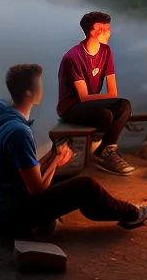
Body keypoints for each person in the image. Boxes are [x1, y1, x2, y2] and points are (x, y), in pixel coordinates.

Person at [0, 63, 147, 237]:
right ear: (30, 93)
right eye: (40, 86)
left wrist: (53, 156)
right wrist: (55, 160)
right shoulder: (18, 132)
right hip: (4, 219)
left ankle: (67, 214)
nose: (42, 90)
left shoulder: (3, 117)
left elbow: (20, 167)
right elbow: (37, 189)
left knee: (66, 178)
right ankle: (131, 215)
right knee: (86, 186)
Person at [56, 10, 134, 175]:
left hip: (91, 103)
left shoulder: (106, 51)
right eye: (103, 29)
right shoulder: (73, 57)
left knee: (124, 105)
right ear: (92, 32)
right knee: (106, 114)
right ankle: (103, 152)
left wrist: (112, 99)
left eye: (108, 28)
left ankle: (106, 150)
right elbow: (83, 97)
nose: (108, 33)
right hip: (71, 107)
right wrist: (110, 99)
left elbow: (113, 90)